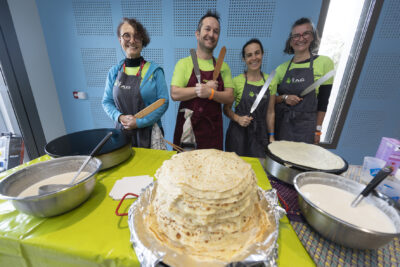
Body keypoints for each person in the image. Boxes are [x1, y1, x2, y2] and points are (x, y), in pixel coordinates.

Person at [171, 10, 234, 150]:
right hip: (187, 129)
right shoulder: (184, 63)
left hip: (213, 132)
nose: (211, 34)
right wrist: (200, 90)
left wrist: (211, 94)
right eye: (207, 29)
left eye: (216, 31)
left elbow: (230, 97)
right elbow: (175, 94)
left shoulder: (223, 66)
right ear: (197, 34)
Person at [102, 18, 169, 148]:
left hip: (150, 134)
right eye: (126, 35)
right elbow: (106, 101)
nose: (132, 40)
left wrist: (139, 122)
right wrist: (120, 117)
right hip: (123, 133)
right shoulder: (114, 72)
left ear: (143, 41)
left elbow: (164, 101)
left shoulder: (155, 71)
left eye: (137, 36)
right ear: (120, 40)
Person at [269, 17, 334, 144]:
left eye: (306, 34)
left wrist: (318, 130)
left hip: (306, 129)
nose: (301, 38)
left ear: (313, 37)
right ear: (291, 41)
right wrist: (284, 97)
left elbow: (323, 102)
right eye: (296, 35)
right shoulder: (281, 69)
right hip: (282, 126)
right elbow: (271, 100)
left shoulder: (325, 63)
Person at [224, 39, 274, 157]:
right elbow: (226, 109)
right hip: (238, 135)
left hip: (260, 135)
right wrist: (238, 118)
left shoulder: (271, 80)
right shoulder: (236, 81)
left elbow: (271, 112)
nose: (254, 58)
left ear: (262, 54)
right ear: (244, 59)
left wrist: (271, 136)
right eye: (249, 55)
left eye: (257, 53)